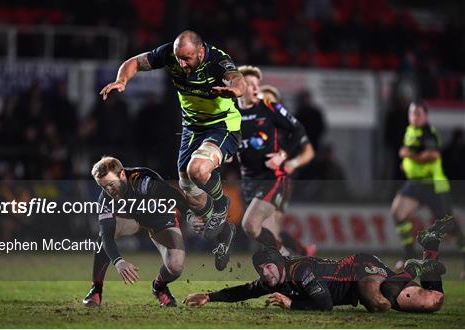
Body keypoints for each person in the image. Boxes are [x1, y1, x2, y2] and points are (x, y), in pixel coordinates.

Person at [99, 30, 246, 269]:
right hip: (191, 129)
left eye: (187, 58)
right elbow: (134, 62)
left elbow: (237, 78)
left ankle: (221, 205)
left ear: (200, 52)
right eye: (179, 58)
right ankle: (224, 233)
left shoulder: (217, 61)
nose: (181, 63)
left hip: (222, 126)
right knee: (194, 199)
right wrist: (122, 80)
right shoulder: (170, 53)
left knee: (197, 169)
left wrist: (235, 91)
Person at [184, 247, 446, 313]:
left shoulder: (299, 270)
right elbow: (244, 290)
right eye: (261, 269)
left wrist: (292, 305)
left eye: (268, 267)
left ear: (279, 264)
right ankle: (428, 259)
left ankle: (411, 268)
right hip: (356, 284)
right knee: (434, 302)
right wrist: (209, 296)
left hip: (359, 269)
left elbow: (325, 304)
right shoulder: (272, 280)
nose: (265, 273)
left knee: (378, 303)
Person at [82, 156, 190, 308]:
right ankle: (96, 289)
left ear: (122, 175)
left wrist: (191, 215)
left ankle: (159, 287)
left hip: (159, 220)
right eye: (103, 187)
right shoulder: (105, 197)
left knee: (176, 266)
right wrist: (119, 262)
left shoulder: (142, 181)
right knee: (104, 233)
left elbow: (173, 195)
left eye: (111, 184)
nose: (108, 190)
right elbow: (106, 235)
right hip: (133, 221)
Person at [235, 65, 315, 256]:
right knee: (263, 232)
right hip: (249, 181)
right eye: (250, 84)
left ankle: (287, 262)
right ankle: (291, 259)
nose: (256, 89)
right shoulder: (230, 113)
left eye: (257, 84)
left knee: (255, 225)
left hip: (273, 178)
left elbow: (301, 136)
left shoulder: (270, 109)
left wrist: (284, 156)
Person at [390, 100, 465, 274]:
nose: (414, 117)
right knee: (397, 212)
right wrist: (407, 164)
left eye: (418, 113)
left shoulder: (428, 132)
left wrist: (410, 157)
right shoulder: (410, 131)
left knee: (449, 225)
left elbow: (431, 155)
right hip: (415, 183)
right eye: (412, 113)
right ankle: (408, 255)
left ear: (425, 116)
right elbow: (413, 154)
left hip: (433, 184)